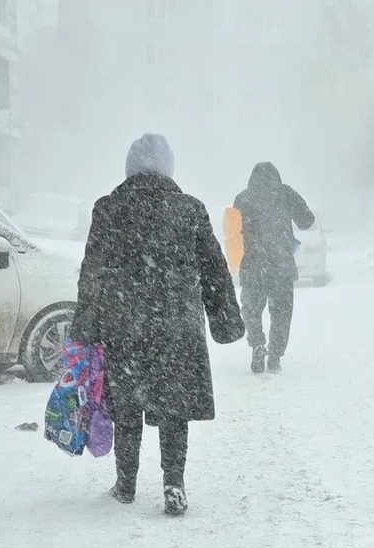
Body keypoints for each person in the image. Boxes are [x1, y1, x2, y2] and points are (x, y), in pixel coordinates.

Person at [69, 134, 244, 515]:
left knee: (128, 405)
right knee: (174, 407)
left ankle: (126, 485)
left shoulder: (109, 208)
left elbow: (92, 272)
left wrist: (86, 325)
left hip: (125, 322)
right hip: (177, 325)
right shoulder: (189, 209)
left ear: (130, 168)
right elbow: (214, 269)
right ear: (168, 168)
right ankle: (173, 485)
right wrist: (225, 320)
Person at [233, 162, 315, 373]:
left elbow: (233, 234)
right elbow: (307, 220)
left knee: (251, 310)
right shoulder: (285, 193)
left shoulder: (242, 198)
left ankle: (258, 345)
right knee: (281, 313)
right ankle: (275, 356)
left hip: (253, 264)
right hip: (281, 265)